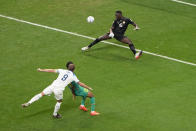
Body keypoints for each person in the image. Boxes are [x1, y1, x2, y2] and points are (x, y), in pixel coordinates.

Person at [21, 61, 92, 119]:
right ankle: (55, 114)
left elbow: (51, 70)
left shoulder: (62, 70)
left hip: (52, 86)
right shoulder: (73, 76)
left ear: (67, 68)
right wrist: (88, 87)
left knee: (41, 94)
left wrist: (41, 70)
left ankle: (29, 102)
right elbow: (80, 83)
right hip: (59, 90)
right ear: (74, 69)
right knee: (59, 101)